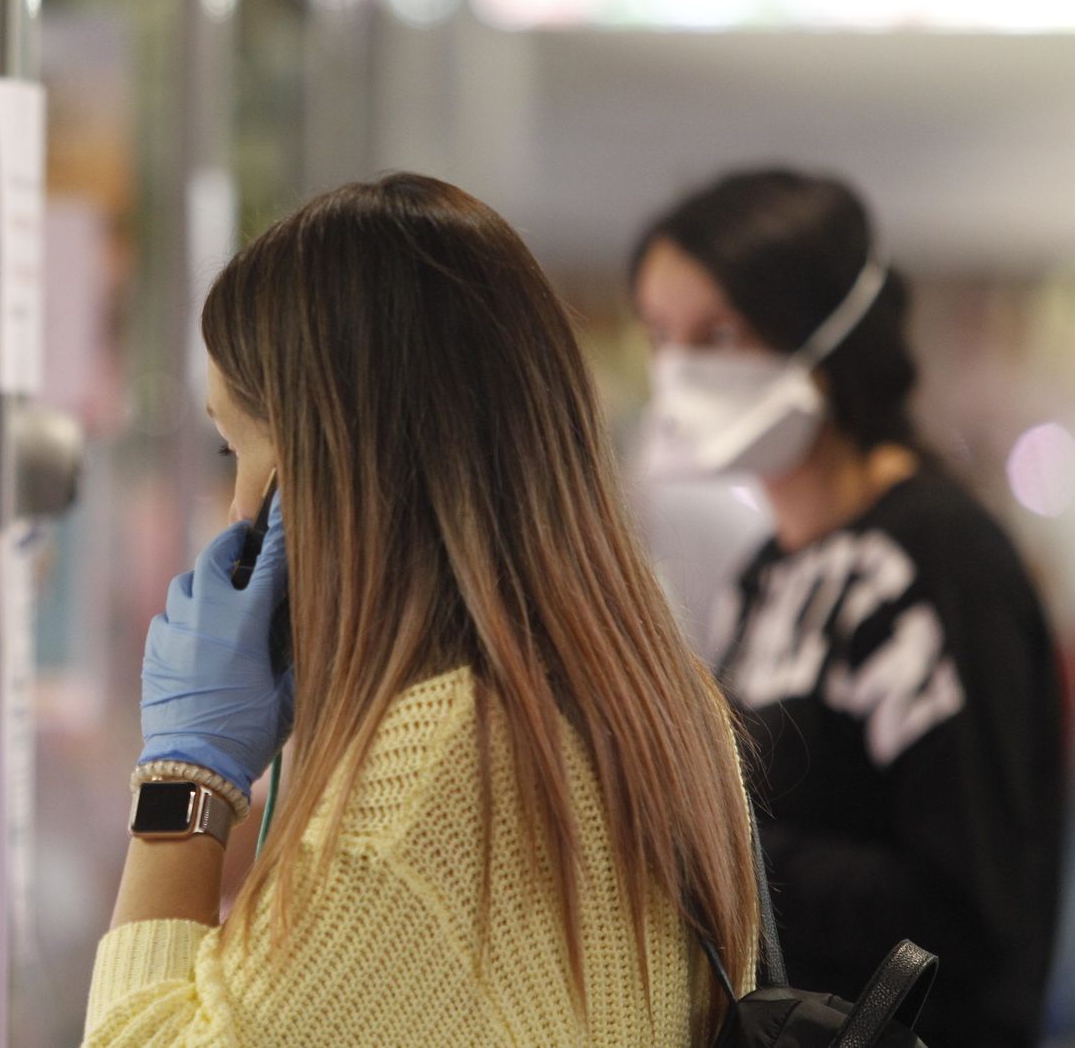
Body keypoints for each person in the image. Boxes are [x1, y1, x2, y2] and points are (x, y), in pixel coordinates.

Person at [82, 173, 763, 1047]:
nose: (236, 512)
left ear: (334, 466)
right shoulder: (661, 697)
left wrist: (184, 783)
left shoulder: (431, 767)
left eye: (241, 447)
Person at [630, 167, 1066, 1047]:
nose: (680, 372)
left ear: (824, 336)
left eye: (718, 333)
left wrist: (720, 846)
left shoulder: (942, 558)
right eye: (661, 337)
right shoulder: (768, 569)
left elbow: (975, 910)